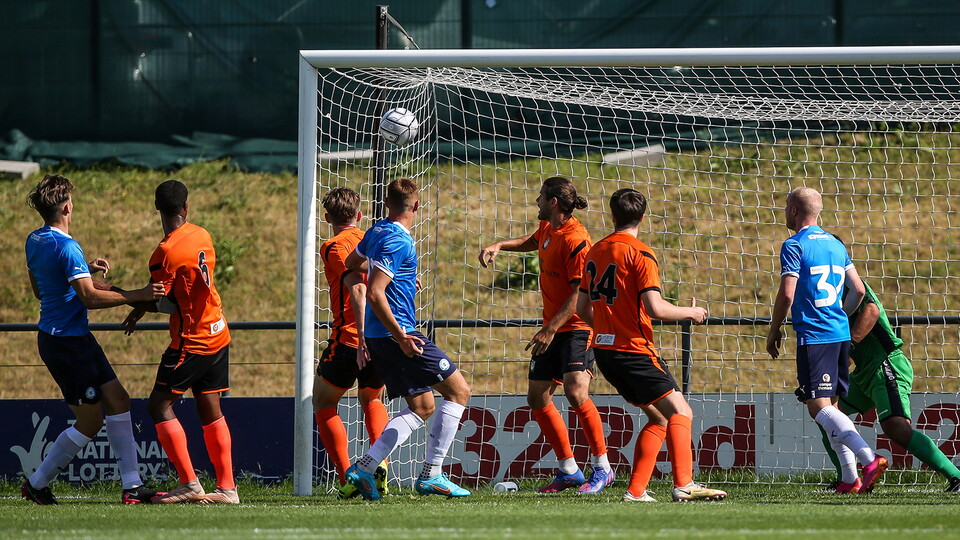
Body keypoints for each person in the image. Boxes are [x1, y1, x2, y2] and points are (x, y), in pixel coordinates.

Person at [576, 188, 727, 503]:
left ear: (612, 215)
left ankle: (635, 491)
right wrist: (691, 312)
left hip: (604, 352)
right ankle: (685, 484)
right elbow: (655, 308)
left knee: (658, 417)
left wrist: (606, 327)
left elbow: (582, 309)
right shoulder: (640, 253)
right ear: (642, 217)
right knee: (681, 410)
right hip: (633, 350)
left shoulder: (595, 251)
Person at [22, 174, 165, 505]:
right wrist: (138, 294)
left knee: (119, 399)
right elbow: (88, 298)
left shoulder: (36, 240)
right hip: (65, 345)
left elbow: (39, 287)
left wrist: (81, 269)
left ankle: (132, 487)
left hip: (72, 339)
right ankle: (37, 483)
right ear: (68, 207)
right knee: (90, 421)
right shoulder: (67, 246)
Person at [479, 176, 613, 494]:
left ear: (553, 202)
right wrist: (500, 245)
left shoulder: (576, 240)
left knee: (576, 391)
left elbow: (579, 294)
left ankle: (603, 468)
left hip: (576, 327)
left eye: (540, 196)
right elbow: (533, 240)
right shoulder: (549, 230)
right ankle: (569, 470)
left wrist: (550, 329)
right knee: (537, 397)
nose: (536, 201)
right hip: (552, 328)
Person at [342, 178, 472, 501]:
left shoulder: (375, 232)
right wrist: (401, 336)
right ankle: (433, 474)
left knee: (423, 406)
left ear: (386, 204)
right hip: (398, 333)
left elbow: (351, 263)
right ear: (416, 206)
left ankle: (365, 467)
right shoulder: (400, 242)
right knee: (459, 391)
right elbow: (374, 292)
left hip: (376, 336)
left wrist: (397, 276)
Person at [121, 180, 237, 504]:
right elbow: (180, 290)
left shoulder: (164, 253)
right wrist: (141, 310)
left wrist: (134, 304)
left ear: (157, 207)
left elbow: (159, 293)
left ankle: (189, 483)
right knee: (210, 406)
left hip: (193, 340)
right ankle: (227, 488)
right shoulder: (202, 235)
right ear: (185, 207)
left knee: (158, 405)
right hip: (218, 330)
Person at [766, 186, 887, 494]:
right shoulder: (835, 244)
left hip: (815, 335)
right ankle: (849, 479)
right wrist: (838, 314)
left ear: (794, 211)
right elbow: (858, 291)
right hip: (840, 333)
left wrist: (775, 327)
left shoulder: (794, 245)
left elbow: (787, 293)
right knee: (832, 406)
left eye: (785, 207)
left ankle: (868, 459)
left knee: (818, 406)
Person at [816, 278, 960, 493]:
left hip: (886, 364)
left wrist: (848, 347)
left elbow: (871, 311)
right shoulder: (824, 289)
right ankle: (848, 480)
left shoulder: (847, 282)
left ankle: (956, 476)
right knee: (828, 415)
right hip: (864, 372)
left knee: (896, 428)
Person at [315, 187, 389, 499]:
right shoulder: (370, 239)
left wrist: (359, 339)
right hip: (381, 336)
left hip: (351, 339)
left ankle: (349, 476)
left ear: (327, 217)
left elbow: (357, 289)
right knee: (372, 399)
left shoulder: (333, 247)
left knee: (323, 401)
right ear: (358, 216)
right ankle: (380, 463)